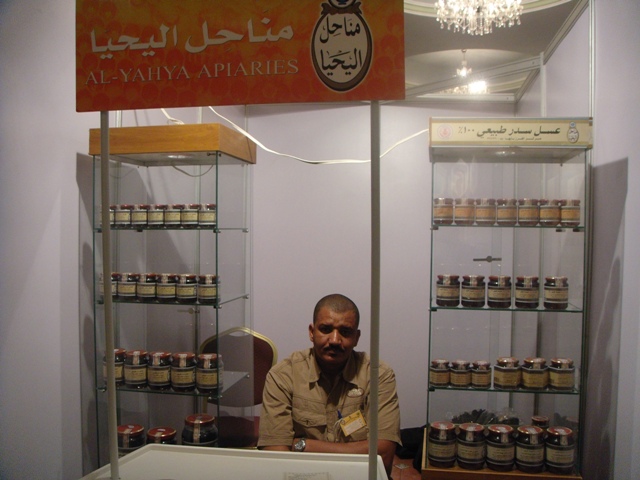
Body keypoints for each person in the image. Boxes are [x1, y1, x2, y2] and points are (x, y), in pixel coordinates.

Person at [258, 293, 401, 476]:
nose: (334, 340)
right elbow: (275, 457)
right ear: (312, 332)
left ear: (356, 337)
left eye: (345, 332)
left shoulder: (378, 375)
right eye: (325, 329)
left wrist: (303, 445)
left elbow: (383, 456)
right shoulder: (283, 376)